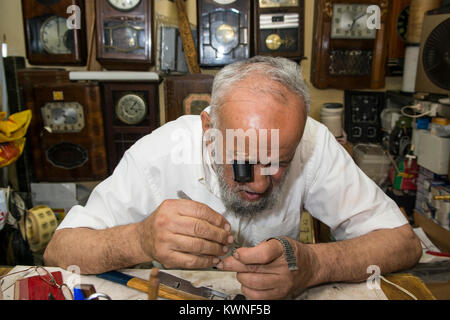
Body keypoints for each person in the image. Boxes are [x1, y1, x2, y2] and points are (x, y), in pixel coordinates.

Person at [44, 56, 422, 300]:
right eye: (242, 161)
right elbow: (60, 250)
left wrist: (314, 264)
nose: (258, 183)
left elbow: (403, 243)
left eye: (279, 162)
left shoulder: (313, 142)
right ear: (209, 128)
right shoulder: (159, 153)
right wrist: (138, 238)